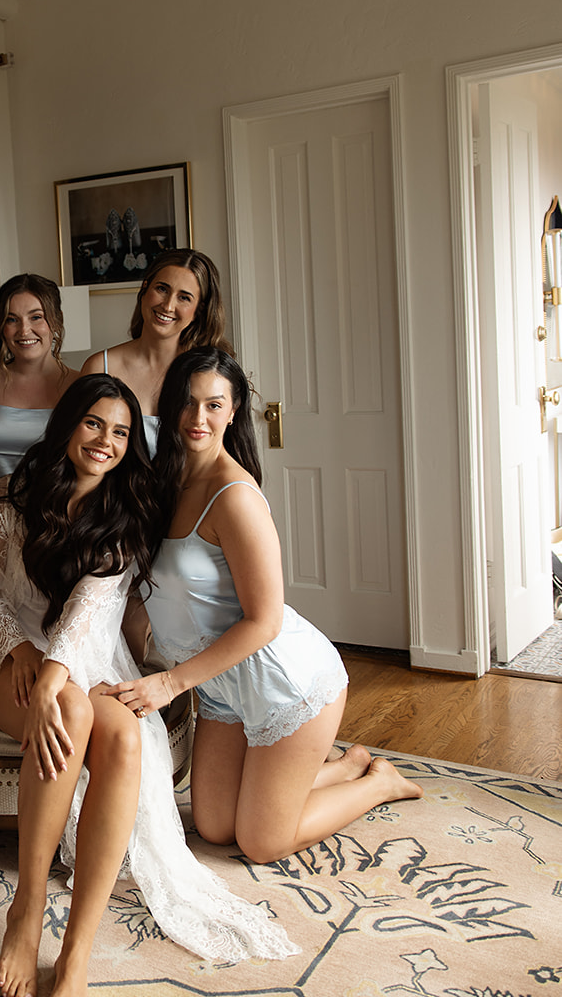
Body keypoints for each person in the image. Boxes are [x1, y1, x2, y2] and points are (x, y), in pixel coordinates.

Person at [0, 374, 295, 997]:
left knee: (119, 734)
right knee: (74, 715)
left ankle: (78, 950)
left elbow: (91, 616)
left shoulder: (125, 509)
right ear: (67, 426)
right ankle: (26, 911)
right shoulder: (7, 497)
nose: (105, 442)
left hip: (83, 654)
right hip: (2, 658)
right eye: (93, 424)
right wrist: (19, 657)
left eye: (120, 432)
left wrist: (55, 673)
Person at [107, 348, 422, 863]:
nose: (198, 418)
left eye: (214, 405)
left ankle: (378, 783)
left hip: (285, 683)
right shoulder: (162, 483)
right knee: (213, 827)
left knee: (261, 842)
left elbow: (266, 621)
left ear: (233, 412)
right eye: (187, 403)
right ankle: (343, 767)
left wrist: (169, 682)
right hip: (222, 687)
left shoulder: (235, 496)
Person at [81, 250, 229, 455]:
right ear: (144, 289)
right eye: (162, 289)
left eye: (184, 298)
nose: (168, 305)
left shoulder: (210, 375)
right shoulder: (99, 366)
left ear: (199, 310)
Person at [0, 273, 73, 498]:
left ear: (57, 320)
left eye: (36, 317)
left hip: (56, 519)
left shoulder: (80, 384)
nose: (24, 331)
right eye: (12, 319)